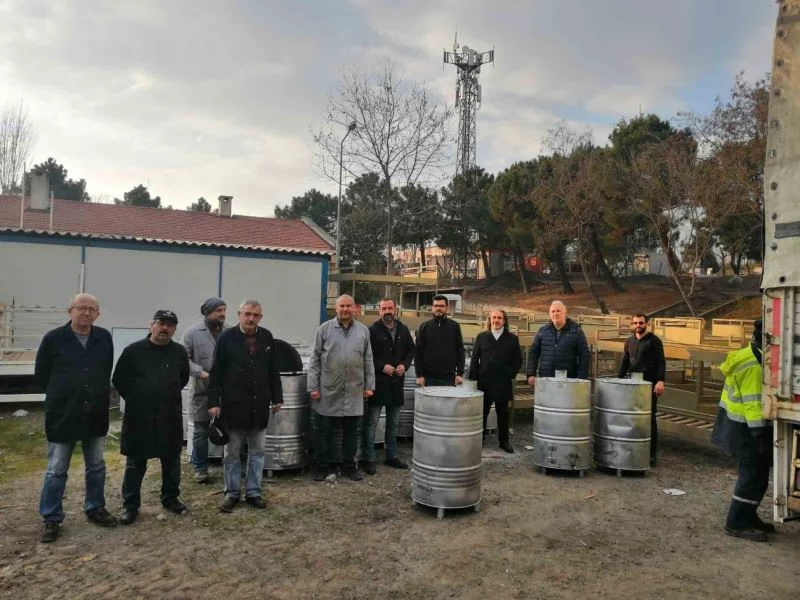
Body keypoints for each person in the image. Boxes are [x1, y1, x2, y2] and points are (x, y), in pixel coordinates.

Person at [35, 293, 116, 543]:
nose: (86, 313)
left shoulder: (103, 337)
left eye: (92, 309)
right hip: (64, 413)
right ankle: (51, 517)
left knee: (96, 466)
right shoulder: (54, 339)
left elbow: (105, 370)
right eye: (81, 308)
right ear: (69, 311)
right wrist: (64, 394)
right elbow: (42, 374)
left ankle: (95, 508)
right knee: (57, 468)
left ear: (98, 314)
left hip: (95, 413)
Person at [113, 310, 190, 525]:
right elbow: (119, 379)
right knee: (135, 463)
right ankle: (130, 506)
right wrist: (139, 398)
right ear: (151, 325)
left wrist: (164, 394)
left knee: (171, 461)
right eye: (161, 323)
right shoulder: (133, 351)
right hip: (140, 417)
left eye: (170, 325)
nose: (165, 328)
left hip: (169, 415)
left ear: (174, 329)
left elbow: (182, 378)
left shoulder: (179, 352)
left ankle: (170, 499)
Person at [208, 299, 283, 512]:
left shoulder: (267, 337)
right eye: (247, 314)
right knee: (232, 453)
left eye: (256, 315)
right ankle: (231, 493)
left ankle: (253, 492)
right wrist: (214, 402)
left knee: (258, 452)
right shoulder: (226, 339)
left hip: (259, 406)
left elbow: (272, 371)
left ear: (261, 317)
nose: (251, 318)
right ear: (239, 314)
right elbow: (216, 373)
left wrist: (277, 397)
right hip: (233, 406)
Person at [711, 320, 774, 542]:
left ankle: (748, 515)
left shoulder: (751, 357)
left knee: (759, 475)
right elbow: (753, 404)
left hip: (736, 425)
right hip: (744, 430)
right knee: (751, 476)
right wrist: (761, 435)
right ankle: (736, 522)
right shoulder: (754, 367)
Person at [308, 294, 375, 482]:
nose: (345, 309)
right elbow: (314, 359)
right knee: (323, 432)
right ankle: (321, 467)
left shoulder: (363, 331)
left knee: (351, 433)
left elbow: (368, 360)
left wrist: (370, 385)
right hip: (328, 389)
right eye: (342, 306)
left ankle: (349, 467)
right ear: (336, 308)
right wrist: (313, 386)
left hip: (354, 390)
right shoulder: (325, 329)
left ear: (354, 308)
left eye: (348, 306)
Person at [361, 298, 415, 474]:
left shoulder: (403, 329)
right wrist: (381, 366)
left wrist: (404, 365)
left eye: (390, 308)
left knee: (393, 423)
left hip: (396, 384)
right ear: (379, 311)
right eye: (384, 308)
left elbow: (410, 350)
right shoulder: (372, 330)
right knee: (372, 423)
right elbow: (366, 355)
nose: (387, 311)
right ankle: (368, 458)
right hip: (377, 383)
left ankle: (391, 456)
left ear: (395, 309)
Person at [182, 297, 227, 483]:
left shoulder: (230, 332)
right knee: (200, 430)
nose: (222, 314)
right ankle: (200, 468)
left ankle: (229, 463)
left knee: (229, 429)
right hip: (202, 390)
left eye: (224, 310)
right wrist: (200, 373)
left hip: (226, 390)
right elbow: (184, 359)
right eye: (218, 310)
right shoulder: (192, 333)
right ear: (207, 312)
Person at [469, 309, 522, 453]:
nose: (496, 320)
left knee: (503, 413)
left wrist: (510, 373)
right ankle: (479, 440)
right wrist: (473, 378)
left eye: (499, 318)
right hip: (484, 381)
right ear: (490, 320)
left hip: (503, 382)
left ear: (504, 320)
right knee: (482, 413)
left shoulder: (512, 339)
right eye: (494, 318)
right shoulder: (482, 337)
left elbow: (518, 360)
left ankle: (504, 441)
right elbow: (474, 359)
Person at [617, 313, 666, 466]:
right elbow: (625, 361)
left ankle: (651, 455)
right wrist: (618, 380)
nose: (638, 325)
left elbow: (661, 361)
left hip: (649, 385)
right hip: (632, 385)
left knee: (649, 418)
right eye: (636, 323)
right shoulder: (630, 341)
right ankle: (632, 450)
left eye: (641, 323)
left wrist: (660, 380)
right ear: (632, 324)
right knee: (632, 418)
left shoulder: (654, 341)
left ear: (647, 324)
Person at [526, 301, 590, 384]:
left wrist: (581, 378)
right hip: (546, 379)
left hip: (569, 381)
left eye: (558, 311)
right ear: (550, 314)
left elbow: (584, 355)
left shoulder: (576, 331)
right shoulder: (542, 331)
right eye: (553, 311)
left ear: (565, 313)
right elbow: (533, 353)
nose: (555, 314)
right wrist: (531, 374)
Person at [415, 295, 465, 387]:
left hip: (449, 378)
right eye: (436, 306)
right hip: (428, 378)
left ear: (447, 308)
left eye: (441, 306)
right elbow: (418, 352)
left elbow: (460, 350)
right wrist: (419, 375)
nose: (438, 308)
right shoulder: (424, 327)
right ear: (432, 307)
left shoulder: (454, 326)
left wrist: (460, 374)